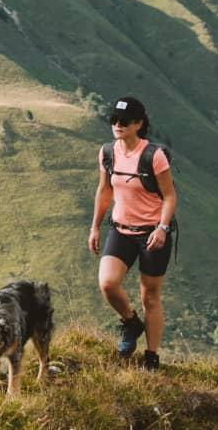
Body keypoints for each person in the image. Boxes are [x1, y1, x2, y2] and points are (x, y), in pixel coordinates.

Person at [87, 96, 177, 369]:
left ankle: (151, 356)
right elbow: (105, 191)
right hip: (121, 230)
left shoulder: (154, 156)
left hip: (151, 233)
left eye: (124, 121)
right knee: (107, 283)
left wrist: (162, 228)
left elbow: (170, 196)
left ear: (138, 123)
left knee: (150, 296)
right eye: (113, 120)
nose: (117, 125)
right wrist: (94, 226)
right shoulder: (107, 152)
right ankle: (130, 322)